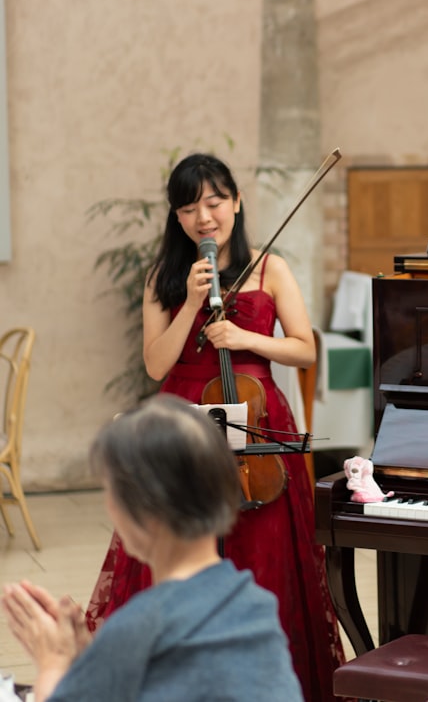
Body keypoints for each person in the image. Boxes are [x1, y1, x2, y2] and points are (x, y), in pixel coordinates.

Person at [84, 153, 345, 700]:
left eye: (214, 201)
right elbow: (156, 364)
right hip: (183, 422)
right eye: (188, 207)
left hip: (256, 422)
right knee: (177, 540)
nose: (204, 217)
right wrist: (193, 303)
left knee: (263, 548)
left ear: (236, 203)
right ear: (177, 219)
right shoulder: (165, 276)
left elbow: (303, 349)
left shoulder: (271, 269)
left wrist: (246, 340)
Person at [2, 395, 303, 702]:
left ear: (145, 512)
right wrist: (90, 664)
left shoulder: (141, 626)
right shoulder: (255, 604)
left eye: (111, 492)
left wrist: (52, 664)